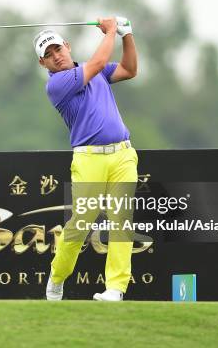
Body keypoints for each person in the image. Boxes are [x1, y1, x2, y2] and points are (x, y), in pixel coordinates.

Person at [33, 17, 139, 301]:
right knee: (81, 222)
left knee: (121, 221)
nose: (56, 56)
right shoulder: (58, 85)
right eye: (48, 55)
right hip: (89, 159)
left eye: (58, 49)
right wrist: (111, 31)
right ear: (43, 64)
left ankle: (115, 289)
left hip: (123, 155)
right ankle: (57, 277)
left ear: (67, 46)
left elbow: (129, 69)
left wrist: (127, 35)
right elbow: (98, 60)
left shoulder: (97, 72)